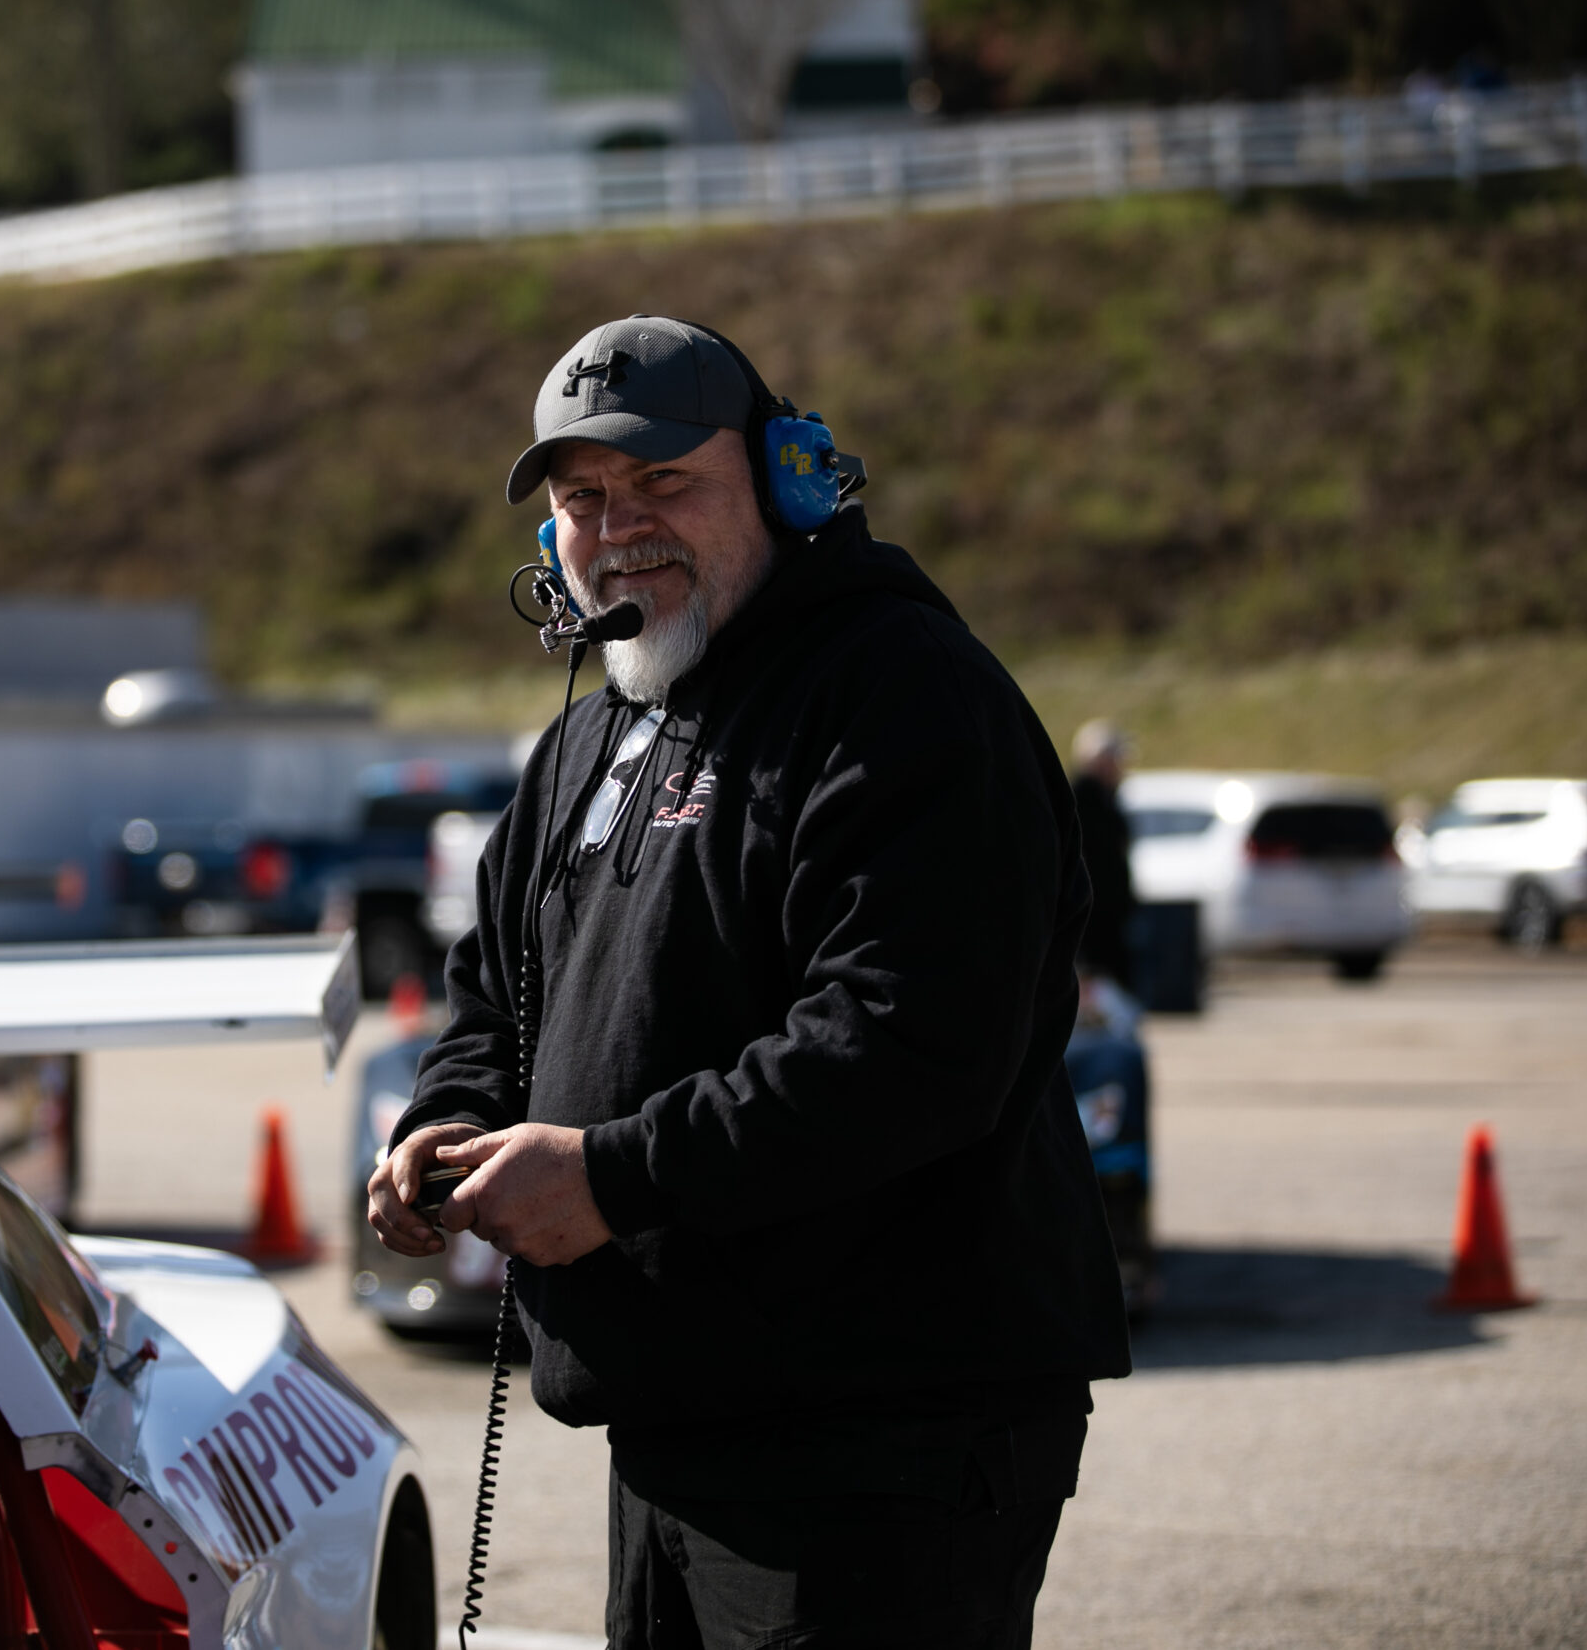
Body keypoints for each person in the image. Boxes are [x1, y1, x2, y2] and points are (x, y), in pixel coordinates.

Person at [367, 316, 1131, 1649]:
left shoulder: (904, 692)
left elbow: (906, 1041)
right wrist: (450, 1119)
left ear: (787, 480)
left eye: (664, 481)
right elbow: (497, 984)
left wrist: (611, 1177)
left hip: (882, 1435)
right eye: (583, 498)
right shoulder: (596, 728)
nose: (620, 527)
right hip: (679, 1411)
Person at [1069, 719, 1136, 989]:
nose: (1121, 766)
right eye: (1115, 759)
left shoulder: (1108, 798)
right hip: (1092, 915)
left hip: (1109, 913)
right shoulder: (1080, 800)